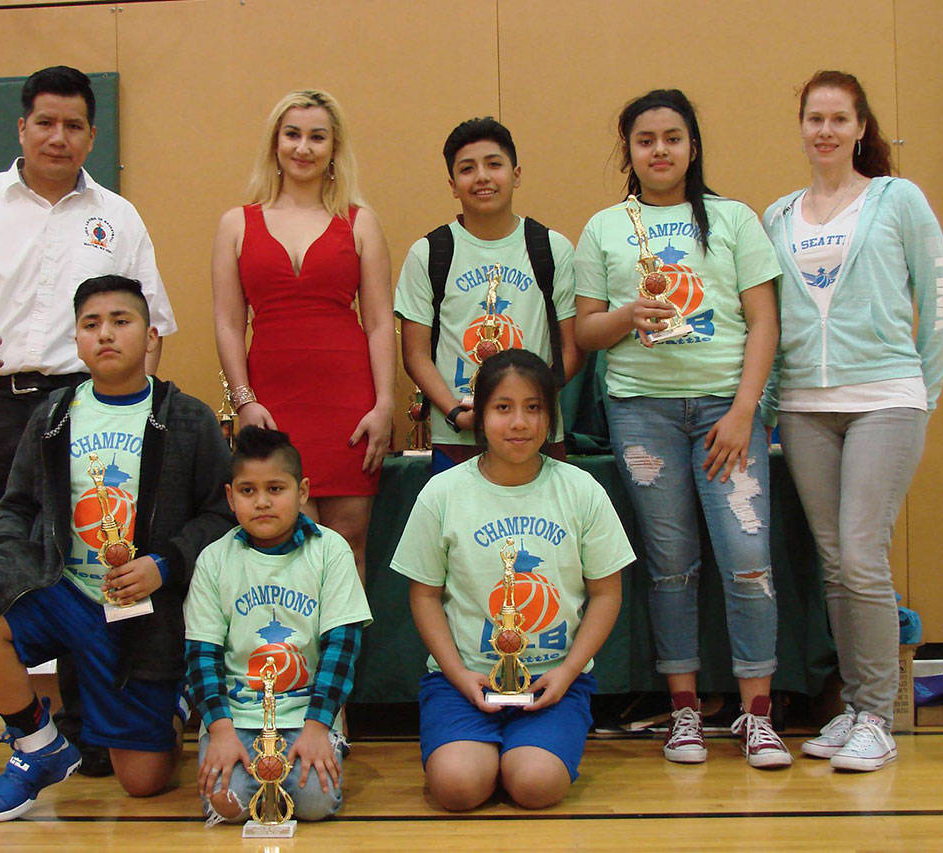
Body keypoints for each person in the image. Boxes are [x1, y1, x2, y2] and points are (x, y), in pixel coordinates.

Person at [0, 65, 177, 789]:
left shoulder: (118, 217)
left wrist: (140, 414)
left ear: (92, 134)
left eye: (74, 125)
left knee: (88, 561)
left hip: (82, 411)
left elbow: (150, 323)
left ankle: (91, 729)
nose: (59, 137)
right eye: (46, 123)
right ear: (22, 127)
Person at [0, 276, 232, 820]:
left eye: (121, 321)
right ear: (75, 340)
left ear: (150, 336)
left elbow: (222, 515)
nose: (105, 334)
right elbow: (16, 506)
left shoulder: (187, 418)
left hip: (140, 615)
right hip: (65, 593)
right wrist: (6, 573)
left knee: (143, 782)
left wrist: (164, 564)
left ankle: (173, 704)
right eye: (90, 324)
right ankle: (38, 745)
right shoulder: (53, 415)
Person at [574, 89, 790, 769]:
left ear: (692, 147)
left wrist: (745, 410)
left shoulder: (734, 219)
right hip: (643, 414)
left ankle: (758, 715)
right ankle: (686, 710)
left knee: (748, 561)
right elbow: (585, 332)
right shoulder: (605, 228)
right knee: (671, 567)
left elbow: (764, 320)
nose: (660, 150)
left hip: (728, 414)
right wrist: (626, 316)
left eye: (672, 137)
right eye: (645, 140)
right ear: (629, 152)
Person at [762, 70, 943, 772]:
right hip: (806, 408)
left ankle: (877, 711)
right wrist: (768, 407)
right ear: (801, 127)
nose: (825, 131)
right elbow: (770, 322)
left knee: (862, 554)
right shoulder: (778, 216)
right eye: (814, 118)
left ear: (860, 128)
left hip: (885, 399)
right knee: (835, 562)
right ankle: (852, 705)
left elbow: (941, 300)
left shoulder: (897, 200)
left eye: (838, 119)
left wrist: (921, 392)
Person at [391, 349, 631, 810]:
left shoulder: (582, 490)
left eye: (533, 407)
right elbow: (424, 596)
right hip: (463, 681)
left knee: (536, 785)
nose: (519, 422)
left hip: (552, 681)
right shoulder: (442, 493)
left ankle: (523, 753)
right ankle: (481, 757)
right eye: (503, 407)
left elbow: (606, 593)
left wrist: (568, 671)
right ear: (480, 416)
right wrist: (458, 675)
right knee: (458, 788)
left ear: (550, 416)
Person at [212, 89, 394, 583]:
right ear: (275, 143)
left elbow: (380, 322)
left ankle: (346, 639)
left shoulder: (360, 222)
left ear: (334, 148)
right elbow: (228, 323)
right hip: (272, 402)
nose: (303, 148)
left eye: (318, 137)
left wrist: (384, 404)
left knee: (348, 543)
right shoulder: (236, 224)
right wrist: (244, 399)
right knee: (284, 542)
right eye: (292, 134)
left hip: (348, 403)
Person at [186, 425, 372, 825]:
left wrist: (318, 727)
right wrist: (220, 731)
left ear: (302, 491)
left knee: (314, 804)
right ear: (230, 497)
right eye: (247, 491)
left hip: (307, 716)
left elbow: (342, 648)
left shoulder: (330, 551)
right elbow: (202, 656)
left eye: (275, 489)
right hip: (236, 719)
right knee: (227, 804)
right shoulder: (214, 559)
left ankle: (324, 749)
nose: (262, 502)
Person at [395, 117, 580, 473]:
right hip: (458, 438)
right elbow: (415, 354)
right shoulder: (429, 253)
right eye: (467, 169)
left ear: (516, 175)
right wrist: (454, 412)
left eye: (494, 164)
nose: (482, 177)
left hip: (535, 435)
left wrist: (529, 407)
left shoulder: (551, 248)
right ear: (453, 185)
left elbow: (572, 349)